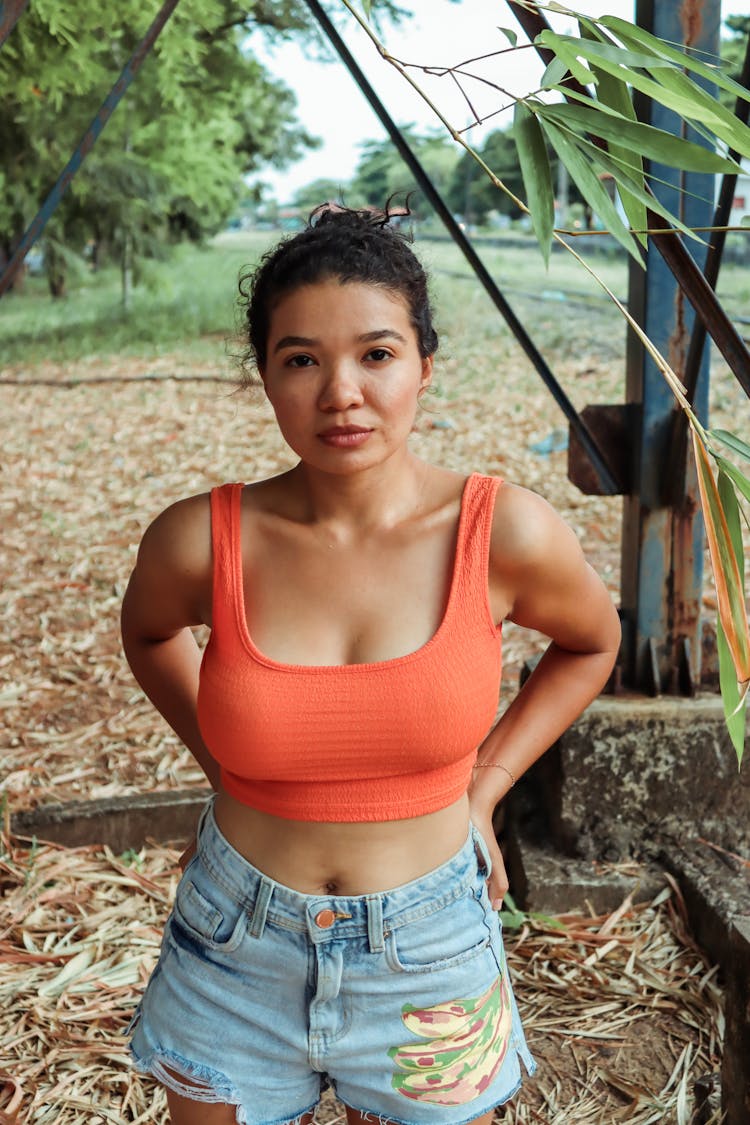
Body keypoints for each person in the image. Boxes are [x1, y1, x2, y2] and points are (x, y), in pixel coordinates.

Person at [121, 202, 621, 1125]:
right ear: (265, 380)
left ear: (425, 366)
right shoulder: (200, 539)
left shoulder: (500, 531)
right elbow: (149, 635)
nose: (340, 391)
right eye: (301, 359)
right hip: (236, 940)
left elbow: (592, 641)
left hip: (429, 948)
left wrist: (486, 786)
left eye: (377, 354)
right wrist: (228, 765)